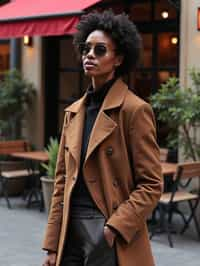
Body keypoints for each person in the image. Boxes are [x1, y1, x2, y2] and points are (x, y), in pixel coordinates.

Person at [42, 10, 163, 266]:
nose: (90, 55)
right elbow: (61, 182)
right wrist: (52, 245)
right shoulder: (73, 112)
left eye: (100, 50)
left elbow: (151, 184)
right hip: (70, 232)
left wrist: (114, 228)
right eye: (86, 49)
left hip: (107, 229)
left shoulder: (134, 110)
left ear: (118, 59)